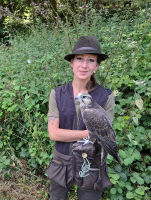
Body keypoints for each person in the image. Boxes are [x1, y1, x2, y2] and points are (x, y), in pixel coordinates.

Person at [46, 36, 115, 200]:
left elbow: (106, 138)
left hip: (92, 162)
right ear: (71, 63)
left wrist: (93, 135)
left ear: (97, 66)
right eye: (79, 59)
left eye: (91, 60)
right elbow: (54, 134)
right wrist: (89, 133)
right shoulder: (57, 94)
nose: (84, 65)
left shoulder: (106, 97)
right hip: (61, 162)